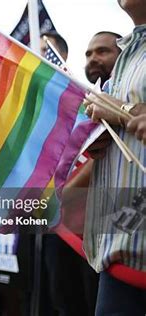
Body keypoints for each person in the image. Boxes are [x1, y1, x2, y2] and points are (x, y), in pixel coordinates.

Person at [83, 1, 146, 314]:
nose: (95, 58)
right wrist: (100, 139)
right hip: (117, 245)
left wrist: (122, 113)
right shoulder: (131, 52)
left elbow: (130, 115)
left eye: (101, 51)